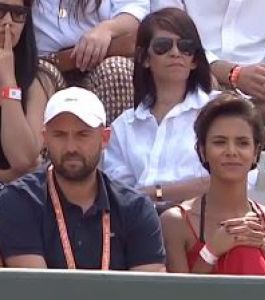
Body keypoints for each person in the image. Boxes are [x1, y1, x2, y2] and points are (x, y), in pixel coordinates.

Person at [0, 86, 166, 271]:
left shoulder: (136, 208)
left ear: (105, 137)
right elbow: (34, 288)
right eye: (60, 135)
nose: (71, 147)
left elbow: (146, 290)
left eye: (82, 135)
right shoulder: (19, 199)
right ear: (45, 138)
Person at [161, 92, 265, 276]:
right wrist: (211, 252)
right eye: (219, 142)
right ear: (202, 151)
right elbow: (180, 294)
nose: (231, 151)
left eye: (242, 143)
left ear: (256, 152)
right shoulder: (176, 222)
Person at [103, 7, 214, 208]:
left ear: (194, 59)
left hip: (203, 223)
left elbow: (237, 179)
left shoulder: (218, 112)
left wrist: (157, 193)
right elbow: (119, 192)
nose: (175, 53)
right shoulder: (123, 127)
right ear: (144, 58)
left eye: (185, 47)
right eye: (163, 46)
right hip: (140, 226)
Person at [151, 1, 265, 134]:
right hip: (200, 72)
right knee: (189, 77)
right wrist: (234, 74)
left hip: (264, 83)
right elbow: (168, 31)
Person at [32, 0, 150, 124]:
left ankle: (116, 141)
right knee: (39, 78)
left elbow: (135, 12)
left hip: (101, 65)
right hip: (46, 67)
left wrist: (107, 28)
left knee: (117, 71)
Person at [0, 0, 54, 182]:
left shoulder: (40, 76)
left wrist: (8, 80)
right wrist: (7, 175)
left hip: (18, 198)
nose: (8, 21)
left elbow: (23, 159)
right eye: (0, 11)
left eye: (18, 13)